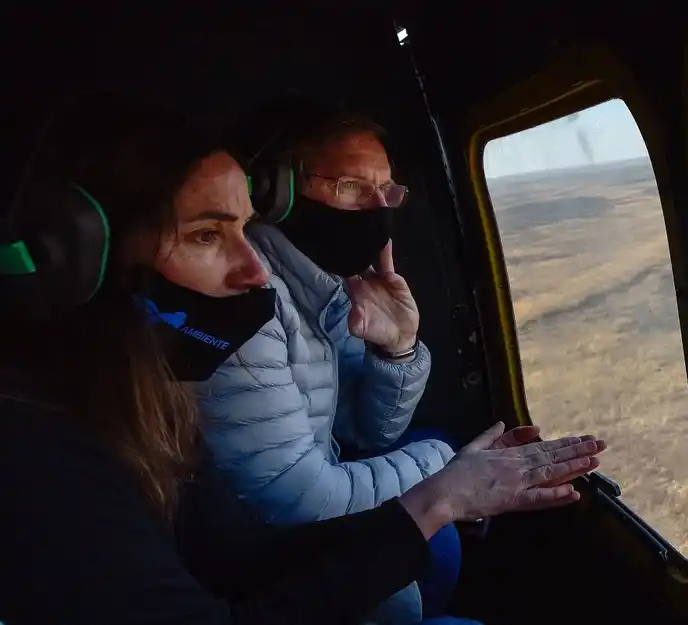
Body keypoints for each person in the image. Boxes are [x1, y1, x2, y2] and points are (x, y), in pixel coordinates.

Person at [0, 94, 606, 625]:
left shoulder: (140, 400)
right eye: (207, 236)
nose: (253, 269)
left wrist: (398, 354)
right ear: (79, 258)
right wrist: (439, 493)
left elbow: (234, 546)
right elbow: (281, 512)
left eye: (242, 228)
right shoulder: (43, 454)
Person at [197, 100, 457, 622]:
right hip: (256, 542)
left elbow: (370, 431)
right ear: (279, 192)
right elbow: (295, 497)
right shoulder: (247, 301)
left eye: (388, 193)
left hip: (311, 499)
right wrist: (449, 469)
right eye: (352, 188)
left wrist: (397, 348)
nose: (378, 210)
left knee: (439, 552)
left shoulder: (327, 284)